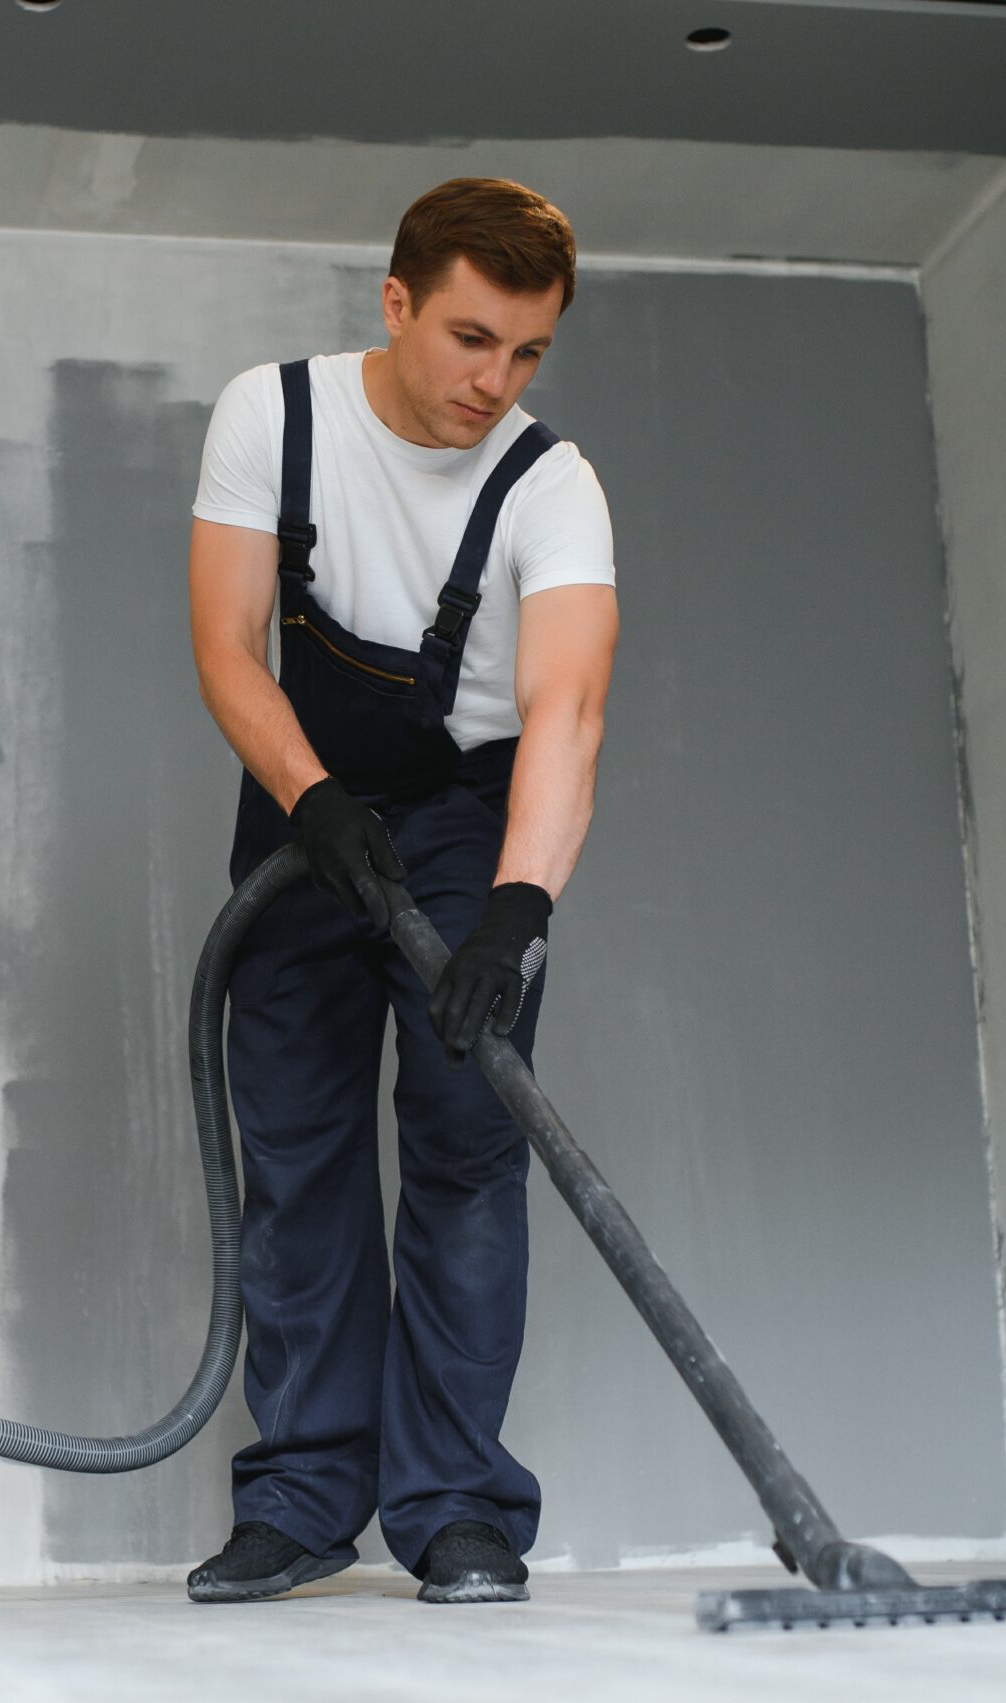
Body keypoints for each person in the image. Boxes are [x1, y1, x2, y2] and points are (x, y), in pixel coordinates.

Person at [182, 177, 619, 1606]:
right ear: (396, 302)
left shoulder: (551, 486)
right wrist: (309, 802)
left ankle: (455, 1509)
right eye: (471, 338)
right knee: (297, 1151)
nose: (496, 382)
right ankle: (305, 1498)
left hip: (474, 825)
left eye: (528, 352)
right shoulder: (275, 418)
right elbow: (231, 645)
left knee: (467, 1154)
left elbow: (565, 712)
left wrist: (518, 910)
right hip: (300, 801)